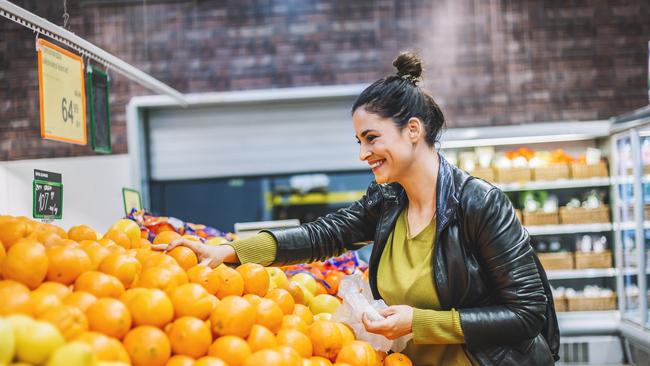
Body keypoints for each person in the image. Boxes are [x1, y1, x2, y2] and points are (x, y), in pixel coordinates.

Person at [154, 52, 559, 365]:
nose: (363, 153)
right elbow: (324, 235)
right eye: (358, 142)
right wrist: (232, 250)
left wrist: (420, 323)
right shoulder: (388, 200)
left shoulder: (480, 204)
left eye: (371, 138)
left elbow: (526, 313)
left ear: (413, 130)